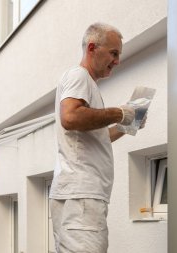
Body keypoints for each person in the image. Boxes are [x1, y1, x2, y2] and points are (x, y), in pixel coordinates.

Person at [49, 22, 140, 253]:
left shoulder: (86, 83)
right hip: (81, 196)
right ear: (92, 48)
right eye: (113, 53)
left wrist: (126, 125)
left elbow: (97, 139)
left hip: (81, 196)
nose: (117, 61)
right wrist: (119, 112)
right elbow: (70, 117)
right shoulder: (78, 75)